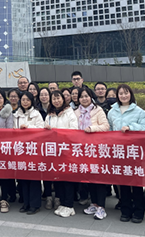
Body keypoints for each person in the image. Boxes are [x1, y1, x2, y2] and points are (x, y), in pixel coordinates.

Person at [107, 84, 145, 223]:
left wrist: (131, 127)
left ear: (130, 94)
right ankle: (125, 210)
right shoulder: (112, 112)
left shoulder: (139, 111)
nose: (123, 96)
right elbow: (109, 130)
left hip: (133, 152)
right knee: (122, 182)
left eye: (126, 93)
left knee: (136, 183)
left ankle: (138, 211)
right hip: (118, 152)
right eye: (121, 93)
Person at [75, 87, 110, 220]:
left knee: (98, 178)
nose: (84, 99)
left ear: (91, 97)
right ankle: (94, 204)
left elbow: (106, 126)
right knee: (89, 177)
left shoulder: (98, 110)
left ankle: (101, 207)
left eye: (86, 96)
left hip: (96, 149)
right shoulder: (76, 112)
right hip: (82, 150)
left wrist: (92, 128)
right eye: (81, 96)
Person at [44, 89, 78, 217]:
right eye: (54, 99)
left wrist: (56, 131)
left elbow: (74, 130)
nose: (56, 101)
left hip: (67, 151)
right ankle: (63, 203)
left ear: (63, 99)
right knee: (57, 178)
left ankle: (69, 205)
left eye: (58, 98)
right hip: (54, 152)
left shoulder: (70, 113)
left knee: (67, 179)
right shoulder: (49, 115)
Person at [13, 91, 44, 215]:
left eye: (28, 100)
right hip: (21, 150)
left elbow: (41, 129)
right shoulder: (16, 114)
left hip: (33, 150)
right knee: (23, 179)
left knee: (34, 178)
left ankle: (35, 204)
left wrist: (28, 127)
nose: (25, 102)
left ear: (32, 101)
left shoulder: (36, 114)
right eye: (23, 100)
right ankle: (26, 203)